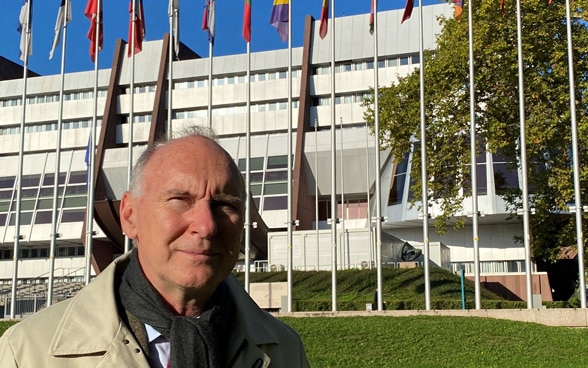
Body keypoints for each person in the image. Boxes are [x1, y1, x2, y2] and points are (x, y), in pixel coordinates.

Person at [0, 126, 310, 368]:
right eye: (180, 200)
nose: (207, 225)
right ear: (129, 216)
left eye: (224, 204)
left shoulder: (286, 351)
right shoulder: (27, 352)